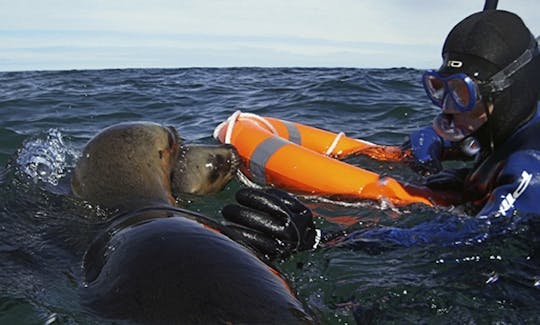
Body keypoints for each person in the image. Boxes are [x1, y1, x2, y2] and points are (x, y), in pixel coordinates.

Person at [220, 9, 540, 256]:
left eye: (462, 93)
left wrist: (326, 241)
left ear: (509, 93)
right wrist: (423, 155)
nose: (449, 106)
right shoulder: (495, 125)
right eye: (439, 89)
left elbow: (478, 237)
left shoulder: (530, 164)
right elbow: (433, 136)